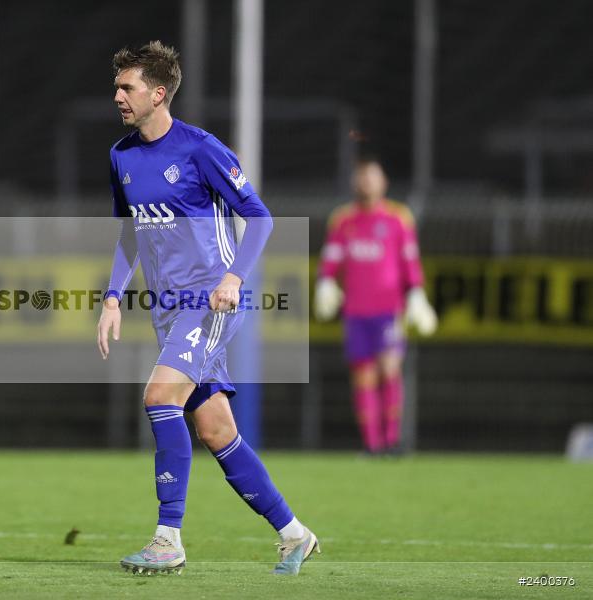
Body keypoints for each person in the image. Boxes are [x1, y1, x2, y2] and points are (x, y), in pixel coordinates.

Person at [96, 40, 319, 576]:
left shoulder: (200, 149)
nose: (118, 96)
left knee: (158, 397)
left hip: (211, 300)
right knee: (217, 431)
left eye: (127, 87)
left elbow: (260, 216)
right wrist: (111, 297)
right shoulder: (121, 156)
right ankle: (295, 534)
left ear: (158, 92)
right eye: (117, 87)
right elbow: (129, 233)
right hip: (169, 310)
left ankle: (167, 537)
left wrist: (234, 277)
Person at [314, 159, 438, 455]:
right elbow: (331, 257)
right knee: (364, 377)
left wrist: (416, 293)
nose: (367, 183)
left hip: (388, 309)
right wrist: (325, 283)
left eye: (372, 177)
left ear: (383, 182)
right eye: (362, 178)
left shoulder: (398, 218)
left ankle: (393, 441)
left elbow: (410, 259)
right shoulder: (343, 220)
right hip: (356, 312)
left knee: (390, 369)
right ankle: (372, 445)